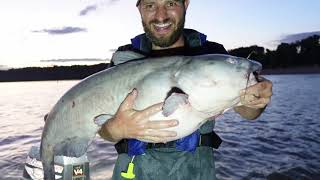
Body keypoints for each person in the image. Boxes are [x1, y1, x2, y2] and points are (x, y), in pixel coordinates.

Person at [99, 0, 273, 179]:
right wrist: (116, 129)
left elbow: (249, 112)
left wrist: (258, 99)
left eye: (171, 3)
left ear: (186, 4)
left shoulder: (212, 53)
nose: (161, 16)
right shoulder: (123, 61)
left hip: (195, 170)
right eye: (151, 5)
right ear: (140, 9)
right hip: (133, 170)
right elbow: (98, 127)